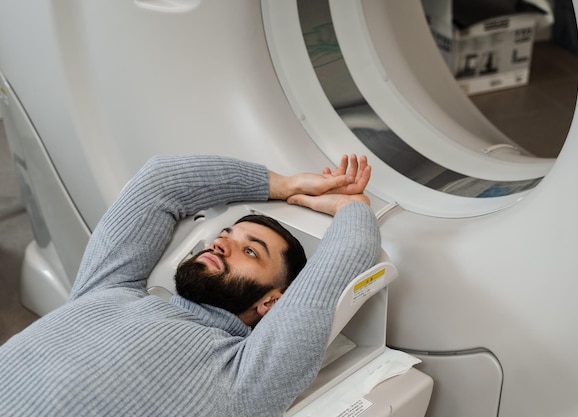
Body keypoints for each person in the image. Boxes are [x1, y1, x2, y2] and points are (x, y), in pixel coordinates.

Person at [0, 153, 381, 417]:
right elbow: (159, 180)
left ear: (270, 302)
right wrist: (283, 184)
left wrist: (352, 208)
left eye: (250, 252)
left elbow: (341, 261)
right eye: (227, 234)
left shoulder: (243, 375)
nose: (221, 242)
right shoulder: (110, 286)